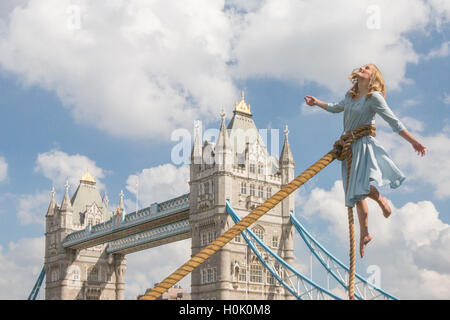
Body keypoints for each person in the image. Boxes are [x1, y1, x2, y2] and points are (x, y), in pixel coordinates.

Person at [304, 64, 426, 258]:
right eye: (361, 66)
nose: (361, 68)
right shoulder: (350, 95)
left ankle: (380, 200)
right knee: (356, 194)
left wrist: (414, 142)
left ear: (373, 77)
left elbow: (394, 122)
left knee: (359, 187)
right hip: (348, 147)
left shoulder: (373, 98)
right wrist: (317, 102)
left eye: (367, 68)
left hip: (362, 145)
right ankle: (365, 233)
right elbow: (335, 108)